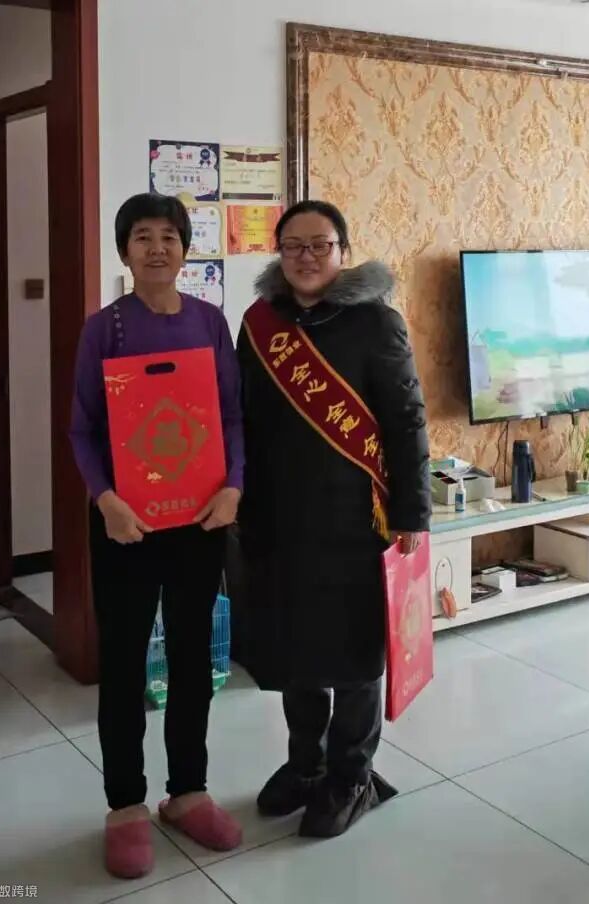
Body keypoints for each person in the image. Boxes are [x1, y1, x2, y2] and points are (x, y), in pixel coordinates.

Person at [237, 200, 430, 839]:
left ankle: (352, 774)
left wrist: (412, 513)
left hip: (356, 519)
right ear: (279, 254)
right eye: (293, 245)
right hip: (280, 517)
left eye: (320, 244)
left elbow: (406, 422)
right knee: (296, 647)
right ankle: (307, 764)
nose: (307, 257)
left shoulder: (376, 322)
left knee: (353, 653)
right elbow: (244, 418)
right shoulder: (260, 324)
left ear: (343, 251)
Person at [70, 193, 244, 879]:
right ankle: (125, 805)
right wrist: (105, 500)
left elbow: (231, 417)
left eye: (169, 236)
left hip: (200, 519)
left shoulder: (209, 321)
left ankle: (189, 791)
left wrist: (234, 486)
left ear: (185, 248)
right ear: (125, 250)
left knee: (194, 656)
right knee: (122, 661)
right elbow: (82, 428)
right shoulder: (105, 329)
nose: (156, 248)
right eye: (142, 236)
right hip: (127, 522)